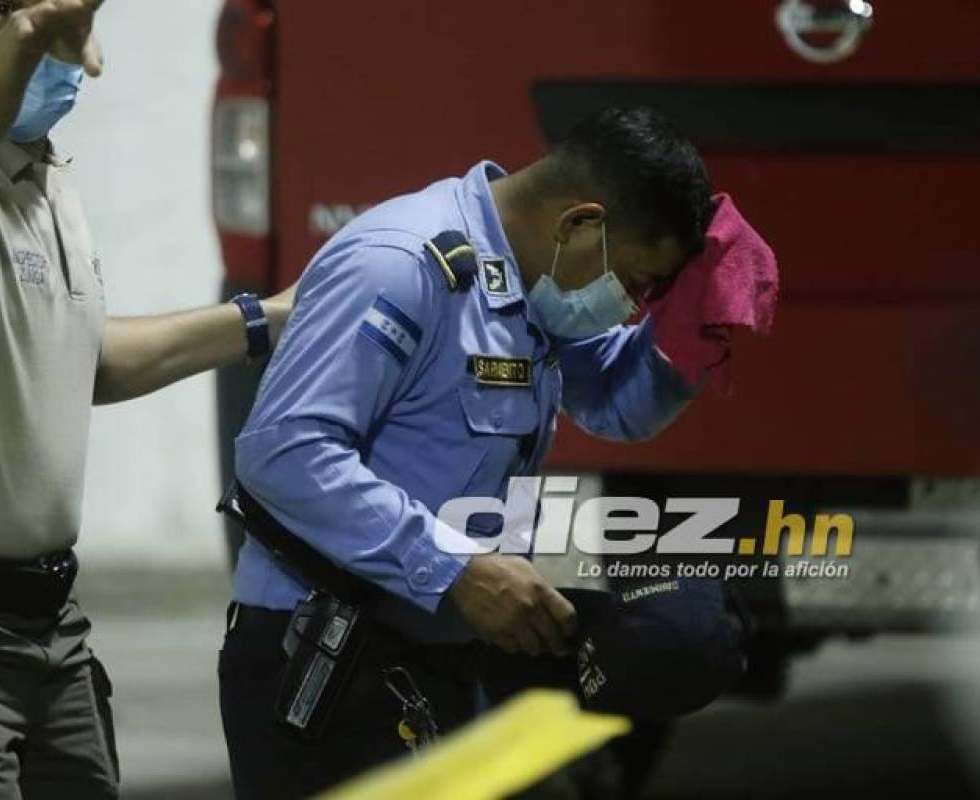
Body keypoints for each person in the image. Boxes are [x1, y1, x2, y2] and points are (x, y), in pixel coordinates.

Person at [220, 106, 719, 798]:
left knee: (696, 632)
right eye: (633, 283)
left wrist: (697, 325)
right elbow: (283, 450)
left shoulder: (525, 287)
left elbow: (614, 402)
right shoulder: (401, 266)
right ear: (581, 224)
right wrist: (455, 569)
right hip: (323, 662)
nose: (630, 306)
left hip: (442, 656)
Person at [0, 1, 295, 798]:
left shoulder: (45, 181)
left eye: (35, 6)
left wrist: (262, 318)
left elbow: (81, 359)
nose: (21, 25)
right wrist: (31, 35)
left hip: (50, 630)